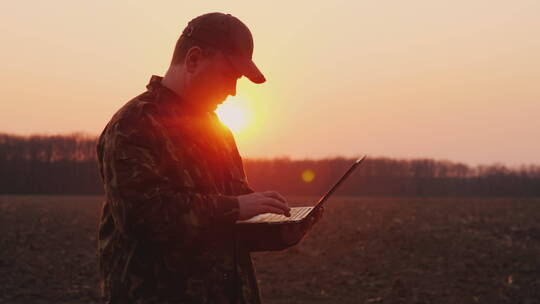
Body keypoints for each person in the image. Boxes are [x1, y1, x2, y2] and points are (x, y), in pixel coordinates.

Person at [96, 12, 323, 303]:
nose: (233, 90)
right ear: (193, 60)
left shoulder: (218, 130)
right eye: (228, 75)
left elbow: (228, 225)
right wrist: (236, 207)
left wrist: (279, 233)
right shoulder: (133, 125)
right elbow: (142, 217)